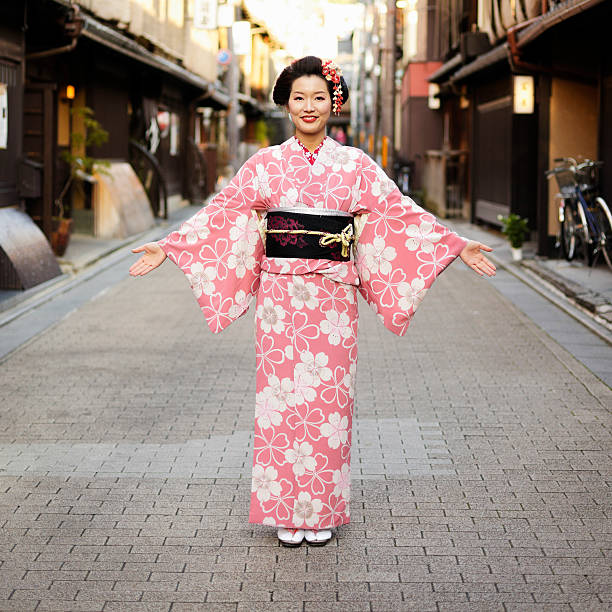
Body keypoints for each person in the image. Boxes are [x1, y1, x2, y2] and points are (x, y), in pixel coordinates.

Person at [129, 56, 495, 548]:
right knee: (280, 406)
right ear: (285, 103)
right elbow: (222, 214)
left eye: (318, 97)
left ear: (333, 104)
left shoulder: (355, 166)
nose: (308, 106)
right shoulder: (264, 165)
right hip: (280, 301)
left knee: (328, 406)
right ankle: (285, 510)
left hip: (332, 303)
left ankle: (319, 510)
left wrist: (453, 243)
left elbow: (399, 215)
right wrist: (171, 246)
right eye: (299, 97)